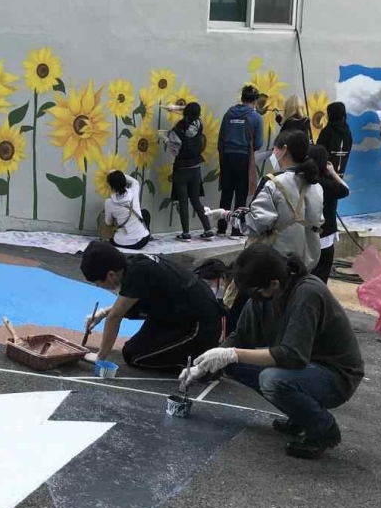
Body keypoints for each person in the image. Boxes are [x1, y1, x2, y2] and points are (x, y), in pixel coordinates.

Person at [181, 245, 364, 459]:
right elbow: (241, 336)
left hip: (336, 377)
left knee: (272, 380)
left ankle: (323, 429)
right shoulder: (265, 294)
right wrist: (205, 365)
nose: (253, 298)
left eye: (255, 292)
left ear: (274, 283)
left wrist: (233, 353)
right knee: (229, 363)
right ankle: (300, 416)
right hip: (307, 366)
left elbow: (292, 356)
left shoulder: (307, 294)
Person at [80, 241, 223, 370]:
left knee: (134, 356)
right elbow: (128, 306)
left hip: (200, 325)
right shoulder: (133, 265)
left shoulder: (138, 273)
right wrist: (103, 313)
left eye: (98, 283)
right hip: (177, 315)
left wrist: (100, 357)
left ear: (111, 275)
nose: (99, 286)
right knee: (131, 348)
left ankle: (202, 361)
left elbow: (115, 316)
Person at [240, 130, 325, 267]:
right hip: (307, 261)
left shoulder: (273, 183)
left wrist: (229, 216)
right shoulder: (316, 186)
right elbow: (319, 221)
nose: (273, 153)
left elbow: (256, 224)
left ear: (284, 149)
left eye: (274, 149)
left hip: (276, 262)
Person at [217, 85, 265, 233]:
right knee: (241, 194)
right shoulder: (256, 117)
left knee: (226, 193)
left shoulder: (228, 114)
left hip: (227, 157)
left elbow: (221, 138)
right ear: (255, 101)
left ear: (242, 98)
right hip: (243, 158)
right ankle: (236, 230)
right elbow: (258, 143)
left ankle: (221, 228)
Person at [166, 102, 213, 241]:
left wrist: (166, 140)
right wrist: (178, 108)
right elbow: (192, 112)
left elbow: (174, 150)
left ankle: (186, 233)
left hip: (181, 169)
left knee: (183, 203)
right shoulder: (199, 123)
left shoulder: (177, 129)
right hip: (196, 168)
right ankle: (208, 229)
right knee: (196, 201)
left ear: (185, 112)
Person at [308, 143, 350, 283]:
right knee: (321, 274)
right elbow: (346, 190)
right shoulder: (329, 185)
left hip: (305, 236)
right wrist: (332, 173)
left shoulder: (302, 182)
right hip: (325, 236)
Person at [102, 170, 151, 249]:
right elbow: (134, 181)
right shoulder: (134, 191)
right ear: (124, 181)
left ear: (111, 186)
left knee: (112, 235)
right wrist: (115, 172)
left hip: (122, 242)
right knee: (145, 213)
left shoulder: (109, 202)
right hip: (142, 241)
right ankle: (143, 232)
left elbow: (108, 223)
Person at [316, 101, 353, 175]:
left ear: (331, 115)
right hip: (340, 173)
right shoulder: (348, 132)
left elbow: (318, 152)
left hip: (325, 175)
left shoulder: (327, 132)